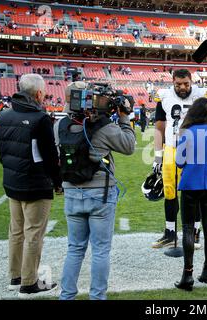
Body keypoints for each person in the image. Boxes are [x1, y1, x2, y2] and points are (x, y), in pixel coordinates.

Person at [55, 81, 135, 300]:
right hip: (99, 193)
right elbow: (129, 146)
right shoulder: (104, 126)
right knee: (100, 251)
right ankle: (97, 297)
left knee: (75, 248)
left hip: (71, 192)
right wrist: (124, 118)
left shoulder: (58, 125)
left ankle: (67, 296)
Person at [0, 74, 62, 298]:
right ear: (38, 94)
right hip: (35, 185)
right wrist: (58, 182)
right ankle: (29, 283)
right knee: (33, 234)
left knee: (16, 232)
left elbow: (1, 152)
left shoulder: (4, 115)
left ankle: (15, 277)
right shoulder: (40, 118)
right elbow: (51, 157)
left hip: (12, 182)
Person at [152, 69, 207, 249]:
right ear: (173, 82)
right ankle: (170, 233)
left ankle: (195, 233)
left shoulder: (203, 95)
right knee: (169, 191)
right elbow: (159, 127)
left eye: (186, 83)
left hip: (197, 151)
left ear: (191, 81)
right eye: (178, 84)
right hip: (171, 147)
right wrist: (157, 155)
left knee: (197, 190)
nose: (183, 87)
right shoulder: (164, 96)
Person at [174, 98, 207, 291]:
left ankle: (187, 275)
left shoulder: (187, 132)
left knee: (188, 228)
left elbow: (179, 161)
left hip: (190, 184)